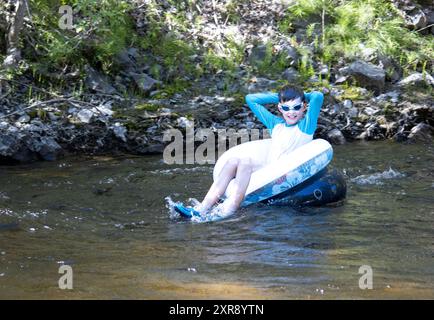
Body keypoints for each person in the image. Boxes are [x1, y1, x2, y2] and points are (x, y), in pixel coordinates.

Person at [175, 86, 324, 218]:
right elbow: (251, 99)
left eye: (296, 107)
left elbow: (318, 96)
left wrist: (300, 97)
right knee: (234, 161)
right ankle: (202, 208)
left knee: (245, 163)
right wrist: (280, 96)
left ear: (304, 107)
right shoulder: (276, 124)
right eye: (286, 108)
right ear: (280, 108)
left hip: (289, 172)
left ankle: (230, 208)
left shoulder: (306, 126)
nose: (291, 112)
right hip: (270, 171)